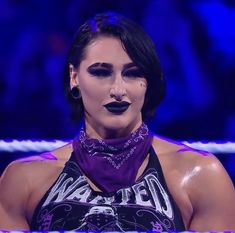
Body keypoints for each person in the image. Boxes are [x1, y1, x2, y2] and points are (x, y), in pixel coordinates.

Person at [0, 12, 234, 232]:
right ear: (74, 77)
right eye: (101, 72)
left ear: (148, 81)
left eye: (132, 73)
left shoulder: (201, 176)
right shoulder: (23, 181)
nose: (118, 90)